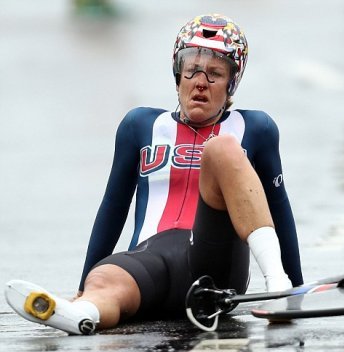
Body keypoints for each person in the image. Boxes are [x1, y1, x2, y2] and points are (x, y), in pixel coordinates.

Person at [5, 13, 303, 335]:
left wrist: (296, 288)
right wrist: (83, 285)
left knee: (222, 149)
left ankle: (278, 286)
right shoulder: (139, 125)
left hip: (214, 268)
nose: (201, 82)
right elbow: (113, 207)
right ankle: (81, 313)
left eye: (215, 74)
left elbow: (280, 209)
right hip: (153, 262)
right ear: (178, 75)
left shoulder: (255, 128)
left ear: (231, 84)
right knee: (104, 280)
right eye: (192, 70)